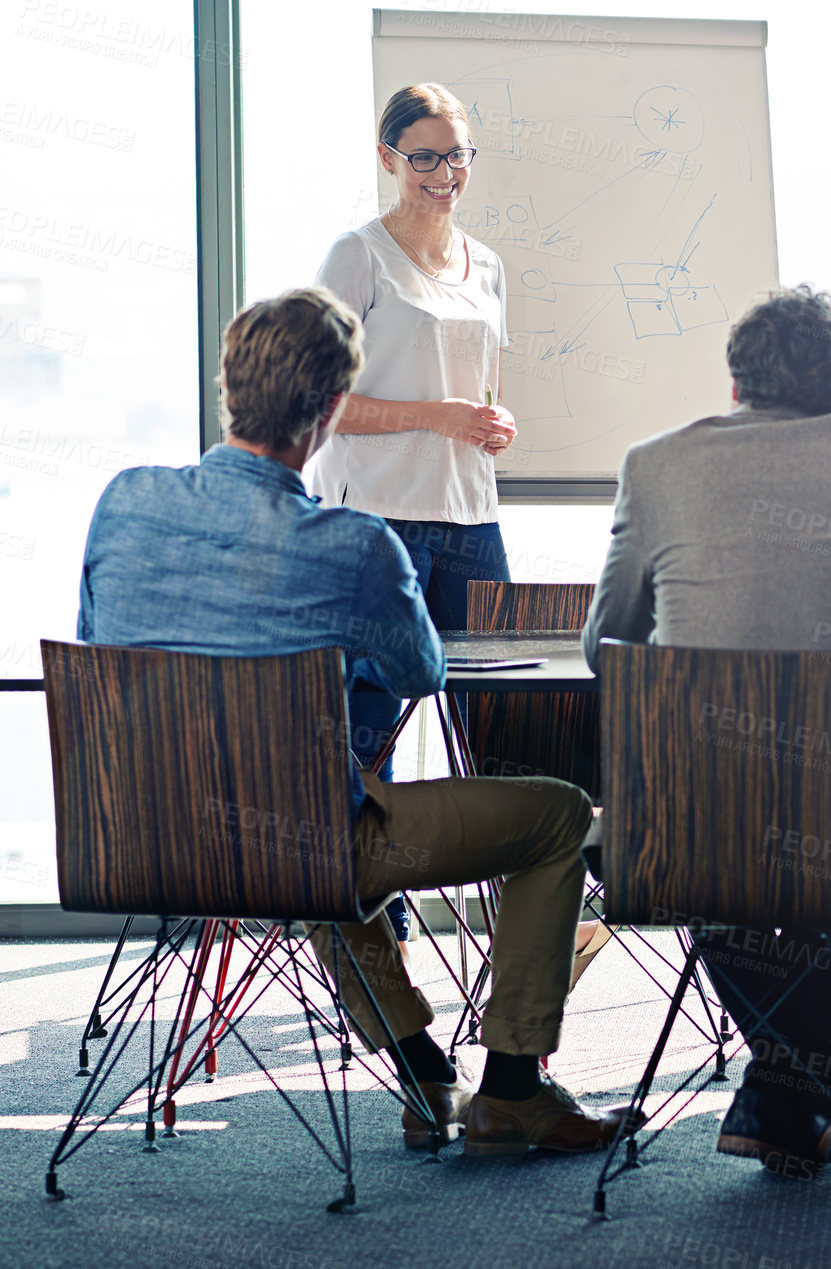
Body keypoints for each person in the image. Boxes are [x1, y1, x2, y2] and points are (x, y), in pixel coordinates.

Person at [77, 288, 628, 1157]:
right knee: (553, 813)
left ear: (228, 388)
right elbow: (420, 672)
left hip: (135, 838)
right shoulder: (351, 543)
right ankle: (514, 1088)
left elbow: (97, 643)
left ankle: (421, 1067)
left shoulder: (123, 504)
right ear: (332, 412)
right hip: (295, 847)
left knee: (312, 816)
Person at [581, 285, 831, 1176]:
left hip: (692, 816)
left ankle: (791, 1089)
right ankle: (804, 1090)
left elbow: (605, 645)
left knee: (713, 874)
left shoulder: (655, 463)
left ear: (738, 383)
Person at [310, 82, 520, 958]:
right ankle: (377, 925)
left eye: (457, 155)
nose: (444, 173)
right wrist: (436, 414)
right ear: (390, 157)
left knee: (505, 725)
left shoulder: (489, 264)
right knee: (369, 732)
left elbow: (479, 399)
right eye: (425, 155)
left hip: (471, 518)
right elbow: (318, 401)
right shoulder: (357, 257)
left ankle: (529, 918)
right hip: (377, 524)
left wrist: (489, 425)